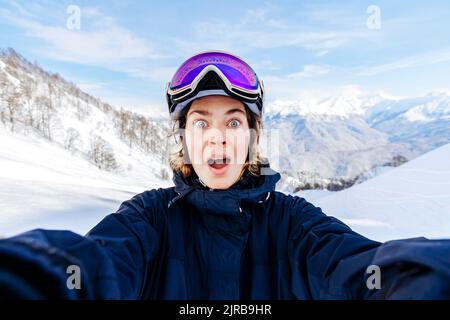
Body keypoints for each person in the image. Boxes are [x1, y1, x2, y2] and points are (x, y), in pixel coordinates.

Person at [1, 50, 450, 300]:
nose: (218, 139)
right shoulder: (149, 218)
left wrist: (424, 280)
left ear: (254, 135)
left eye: (234, 122)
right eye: (201, 123)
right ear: (184, 138)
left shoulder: (293, 223)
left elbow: (362, 267)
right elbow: (88, 265)